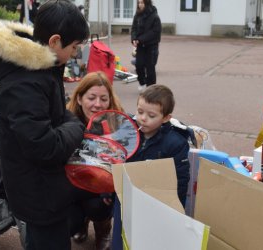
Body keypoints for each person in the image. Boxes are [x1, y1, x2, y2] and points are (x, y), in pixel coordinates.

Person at [0, 1, 89, 249]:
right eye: (74, 47)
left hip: (41, 185)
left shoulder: (41, 68)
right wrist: (78, 127)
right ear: (54, 41)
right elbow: (45, 146)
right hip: (37, 190)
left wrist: (67, 122)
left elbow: (57, 115)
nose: (75, 53)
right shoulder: (26, 82)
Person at [112, 84, 191, 249]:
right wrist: (108, 192)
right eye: (140, 112)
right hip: (125, 197)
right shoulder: (127, 132)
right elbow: (114, 162)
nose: (143, 118)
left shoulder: (175, 143)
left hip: (155, 202)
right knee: (121, 238)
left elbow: (181, 179)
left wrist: (176, 208)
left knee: (148, 240)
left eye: (151, 115)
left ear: (166, 118)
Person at [67, 71, 124, 250]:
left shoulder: (118, 122)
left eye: (103, 98)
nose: (98, 104)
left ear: (110, 100)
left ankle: (103, 230)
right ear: (79, 98)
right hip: (73, 186)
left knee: (99, 206)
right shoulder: (66, 121)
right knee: (69, 221)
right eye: (91, 97)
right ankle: (81, 223)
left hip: (101, 188)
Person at [131, 0, 161, 92]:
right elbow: (134, 29)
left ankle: (151, 89)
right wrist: (134, 39)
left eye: (142, 3)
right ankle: (142, 82)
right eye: (139, 3)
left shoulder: (154, 16)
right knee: (138, 65)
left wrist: (140, 39)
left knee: (150, 68)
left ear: (147, 3)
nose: (140, 5)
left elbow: (154, 32)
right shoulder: (137, 15)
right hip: (140, 46)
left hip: (151, 46)